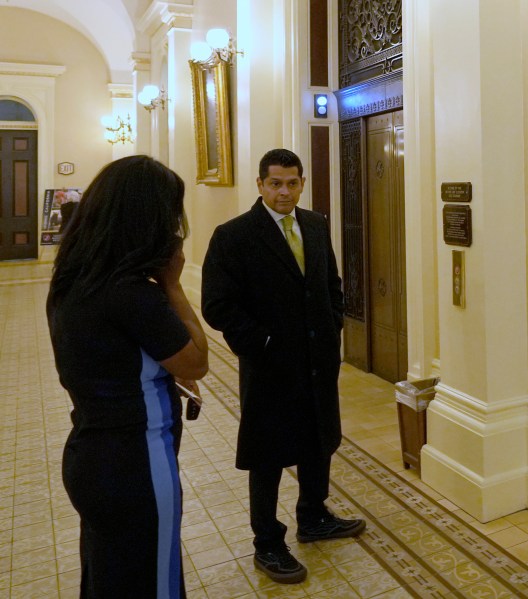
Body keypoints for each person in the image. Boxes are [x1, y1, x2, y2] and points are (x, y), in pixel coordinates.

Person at [47, 156, 208, 598]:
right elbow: (195, 362)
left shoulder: (74, 279)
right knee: (152, 582)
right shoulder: (131, 293)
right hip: (135, 461)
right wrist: (173, 284)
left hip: (92, 452)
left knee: (107, 579)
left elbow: (113, 358)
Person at [201, 148, 365, 584]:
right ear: (259, 184)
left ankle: (314, 517)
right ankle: (268, 542)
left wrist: (332, 327)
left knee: (318, 438)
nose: (284, 192)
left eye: (293, 183)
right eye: (275, 183)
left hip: (318, 360)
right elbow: (217, 305)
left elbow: (331, 284)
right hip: (270, 366)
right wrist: (263, 342)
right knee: (268, 453)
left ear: (302, 183)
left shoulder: (314, 224)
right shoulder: (233, 235)